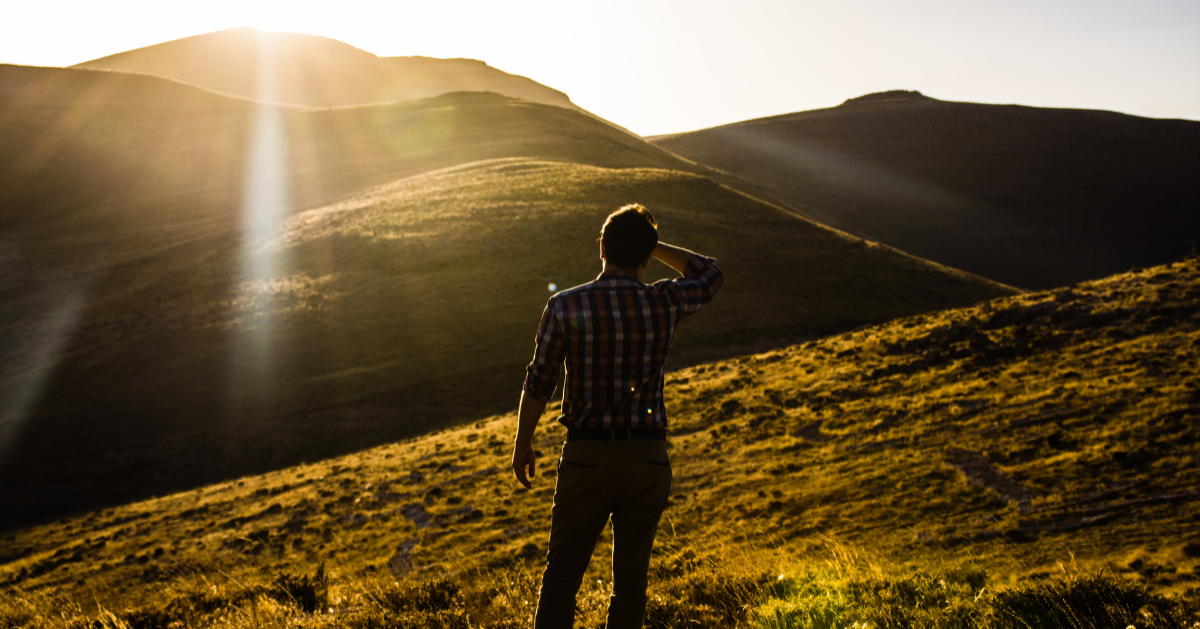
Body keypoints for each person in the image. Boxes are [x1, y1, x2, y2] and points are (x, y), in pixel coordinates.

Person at [511, 203, 724, 628]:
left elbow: (540, 381)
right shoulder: (664, 301)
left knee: (562, 576)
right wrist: (651, 245)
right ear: (646, 255)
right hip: (648, 459)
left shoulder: (565, 305)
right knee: (631, 582)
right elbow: (709, 273)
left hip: (587, 458)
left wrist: (523, 442)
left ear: (602, 247)